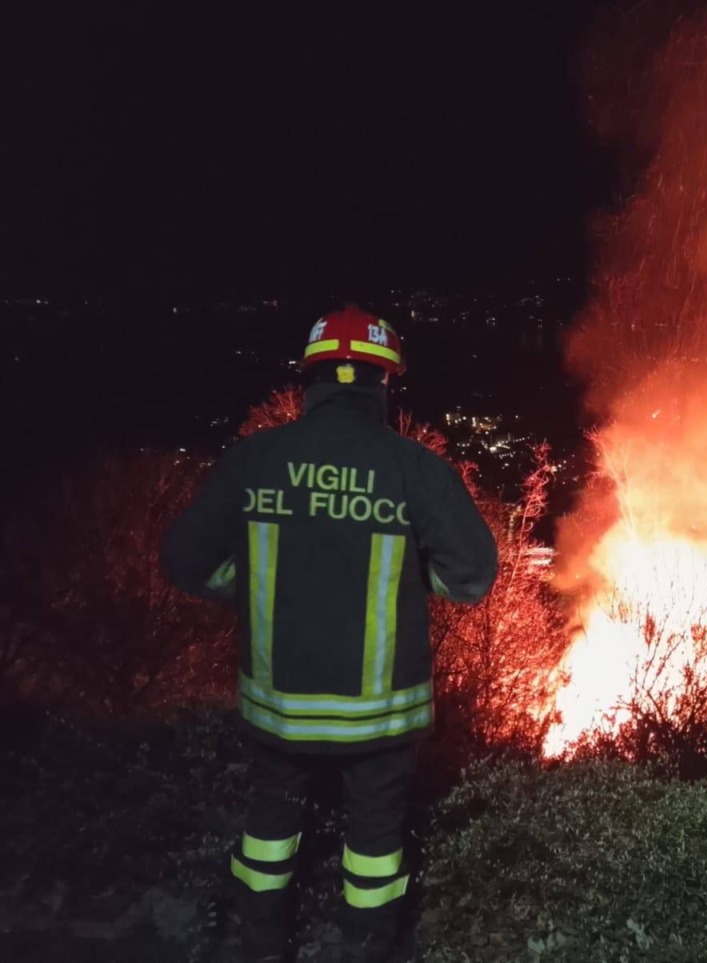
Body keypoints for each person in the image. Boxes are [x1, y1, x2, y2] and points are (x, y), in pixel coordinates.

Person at [161, 304, 498, 962]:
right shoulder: (414, 469)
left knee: (270, 824)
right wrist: (405, 575)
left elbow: (183, 560)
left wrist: (258, 580)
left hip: (277, 706)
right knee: (374, 844)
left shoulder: (253, 460)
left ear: (311, 379)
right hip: (379, 718)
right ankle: (365, 948)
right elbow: (473, 577)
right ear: (383, 383)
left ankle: (262, 943)